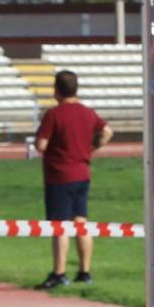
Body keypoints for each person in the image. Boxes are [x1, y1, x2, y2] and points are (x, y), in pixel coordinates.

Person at [34, 68, 112, 290]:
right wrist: (91, 147)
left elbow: (41, 145)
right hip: (82, 173)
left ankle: (59, 272)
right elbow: (107, 131)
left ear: (56, 90)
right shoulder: (88, 113)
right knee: (81, 222)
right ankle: (84, 271)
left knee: (60, 225)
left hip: (59, 175)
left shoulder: (54, 115)